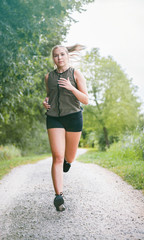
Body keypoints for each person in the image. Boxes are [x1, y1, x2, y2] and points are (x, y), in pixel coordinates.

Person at [43, 44, 88, 211]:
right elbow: (49, 95)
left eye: (62, 54)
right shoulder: (49, 77)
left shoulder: (76, 74)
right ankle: (58, 196)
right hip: (54, 118)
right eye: (56, 55)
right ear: (53, 58)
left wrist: (71, 87)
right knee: (57, 156)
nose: (59, 58)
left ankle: (68, 162)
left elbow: (85, 99)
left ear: (67, 56)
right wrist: (45, 102)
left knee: (69, 157)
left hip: (73, 118)